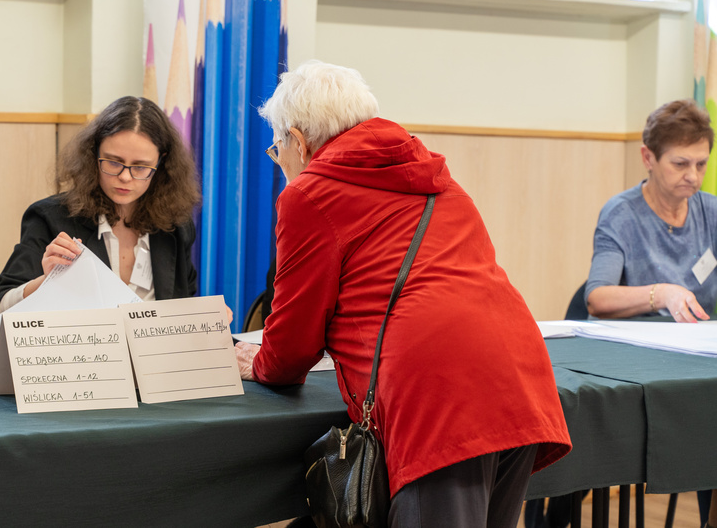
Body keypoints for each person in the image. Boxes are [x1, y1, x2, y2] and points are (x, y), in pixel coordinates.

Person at [234, 60, 571, 527]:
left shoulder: (309, 194)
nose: (281, 162)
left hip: (440, 394)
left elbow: (291, 345)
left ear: (298, 139)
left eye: (277, 149)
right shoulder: (434, 176)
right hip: (519, 378)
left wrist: (258, 362)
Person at [0, 96, 208, 318]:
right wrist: (47, 283)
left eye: (140, 167)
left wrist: (204, 317)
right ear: (94, 154)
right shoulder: (50, 218)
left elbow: (182, 304)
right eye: (113, 162)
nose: (124, 176)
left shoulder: (176, 226)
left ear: (162, 163)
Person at [586, 99, 717, 323]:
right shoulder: (621, 214)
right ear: (648, 158)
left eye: (701, 164)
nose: (693, 176)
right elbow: (597, 299)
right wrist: (662, 295)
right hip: (630, 346)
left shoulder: (711, 211)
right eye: (680, 164)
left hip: (693, 345)